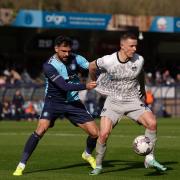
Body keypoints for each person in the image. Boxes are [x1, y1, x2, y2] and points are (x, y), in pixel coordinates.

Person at [13, 35, 99, 176]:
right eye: (63, 51)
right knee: (40, 130)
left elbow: (91, 66)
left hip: (72, 102)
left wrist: (105, 63)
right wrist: (86, 85)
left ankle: (87, 154)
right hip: (53, 102)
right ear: (56, 49)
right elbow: (63, 86)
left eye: (69, 51)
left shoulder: (76, 58)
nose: (66, 54)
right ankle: (21, 165)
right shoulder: (49, 65)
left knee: (95, 133)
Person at [88, 32, 167, 175]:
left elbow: (140, 72)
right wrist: (93, 81)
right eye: (131, 46)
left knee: (152, 123)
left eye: (136, 46)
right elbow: (91, 66)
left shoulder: (139, 60)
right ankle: (98, 165)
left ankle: (149, 158)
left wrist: (142, 88)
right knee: (104, 134)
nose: (135, 49)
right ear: (122, 46)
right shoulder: (108, 60)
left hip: (132, 99)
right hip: (113, 101)